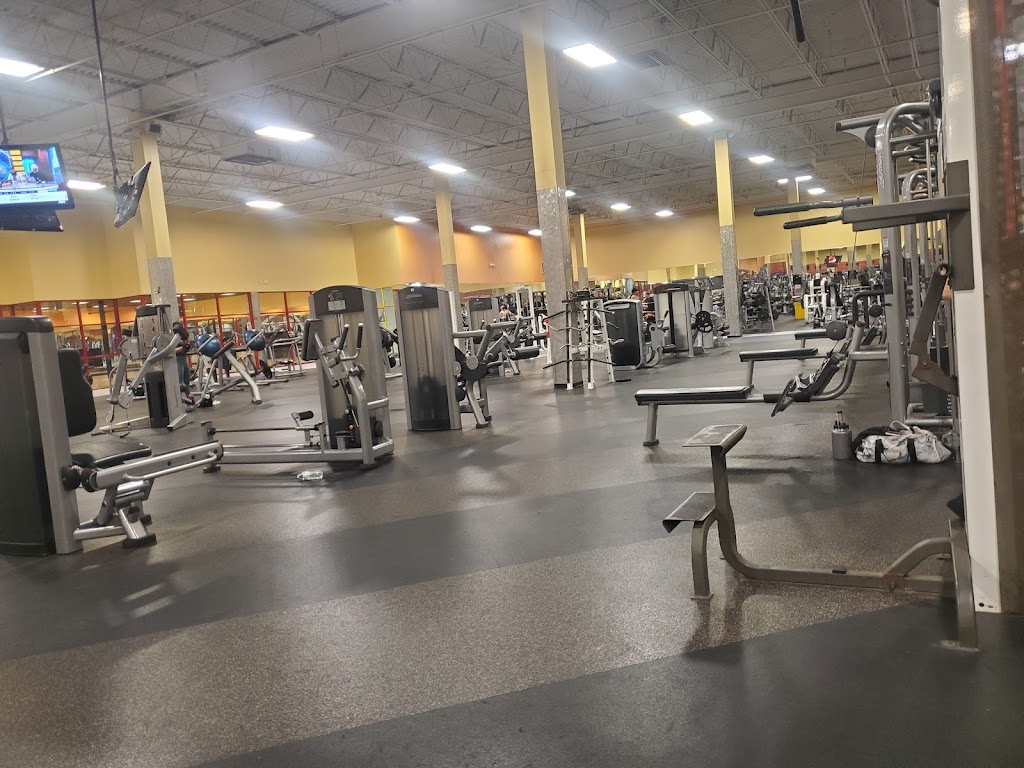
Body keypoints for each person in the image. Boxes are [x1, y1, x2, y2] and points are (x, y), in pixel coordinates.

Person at [171, 321, 194, 403]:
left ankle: (189, 396)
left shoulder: (181, 338)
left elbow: (184, 348)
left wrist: (187, 347)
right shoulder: (172, 339)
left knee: (187, 379)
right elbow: (171, 351)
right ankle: (178, 400)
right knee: (180, 381)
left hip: (184, 359)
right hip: (177, 360)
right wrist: (181, 348)